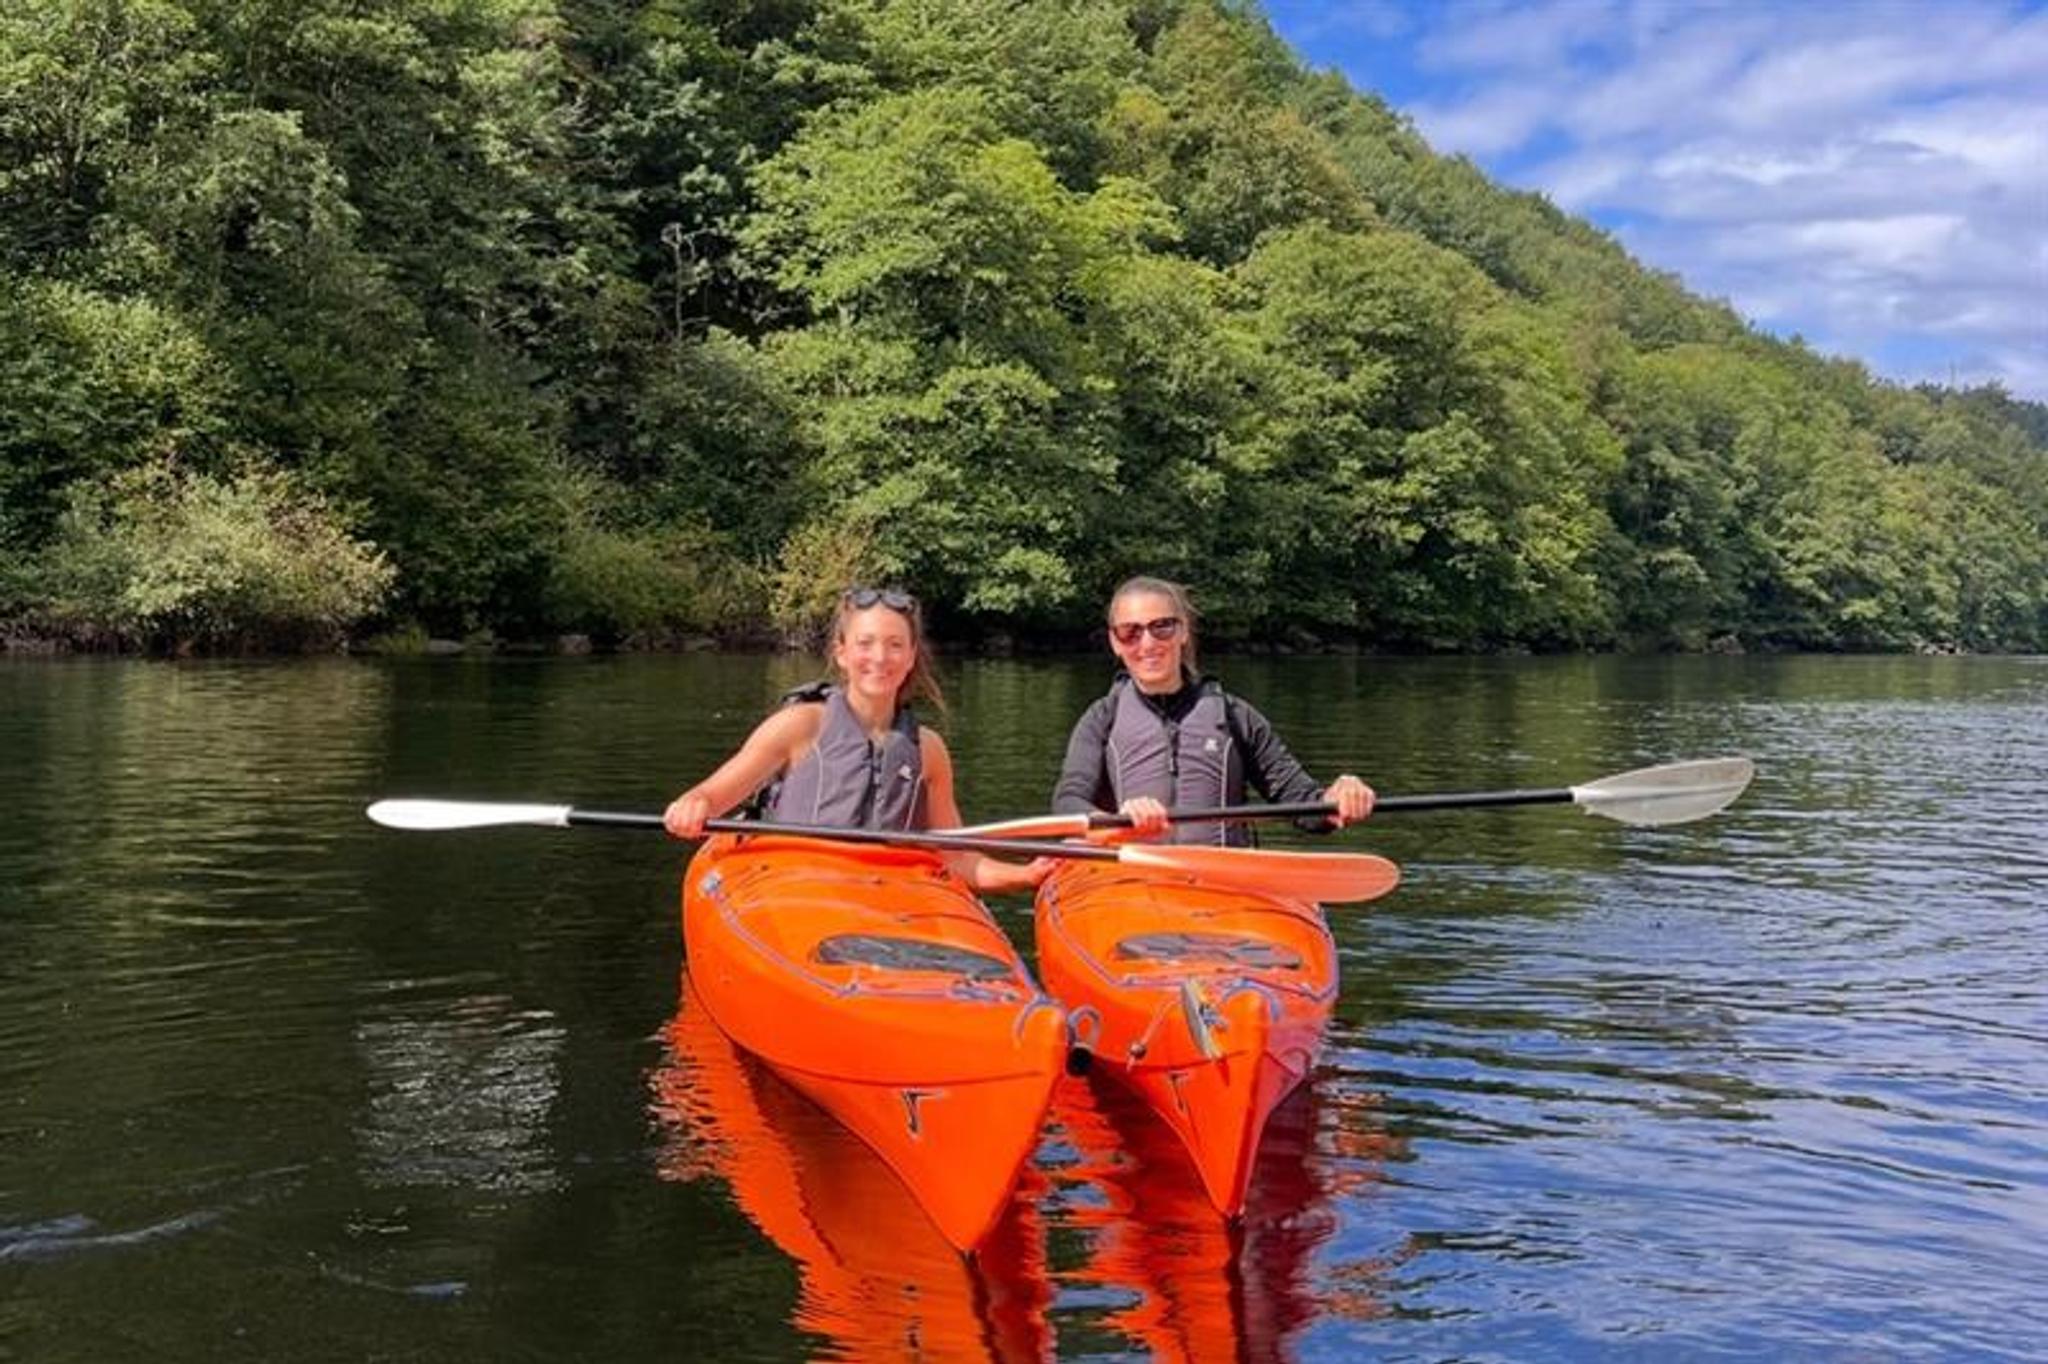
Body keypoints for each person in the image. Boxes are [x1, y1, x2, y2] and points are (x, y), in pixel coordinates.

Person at [663, 586, 1048, 892]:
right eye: (865, 644)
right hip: (795, 890)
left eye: (895, 645)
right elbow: (713, 796)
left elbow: (956, 858)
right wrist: (694, 804)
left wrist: (1026, 874)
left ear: (912, 655)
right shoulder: (798, 727)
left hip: (881, 896)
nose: (880, 657)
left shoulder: (927, 751)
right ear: (842, 653)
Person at [1052, 576, 1374, 845]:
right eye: (1130, 632)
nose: (1147, 643)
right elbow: (1068, 804)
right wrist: (1118, 823)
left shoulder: (1236, 716)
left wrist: (1339, 798)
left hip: (1223, 881)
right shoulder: (1101, 719)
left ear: (1182, 632)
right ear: (1115, 642)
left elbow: (1304, 806)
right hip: (1134, 879)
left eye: (1161, 627)